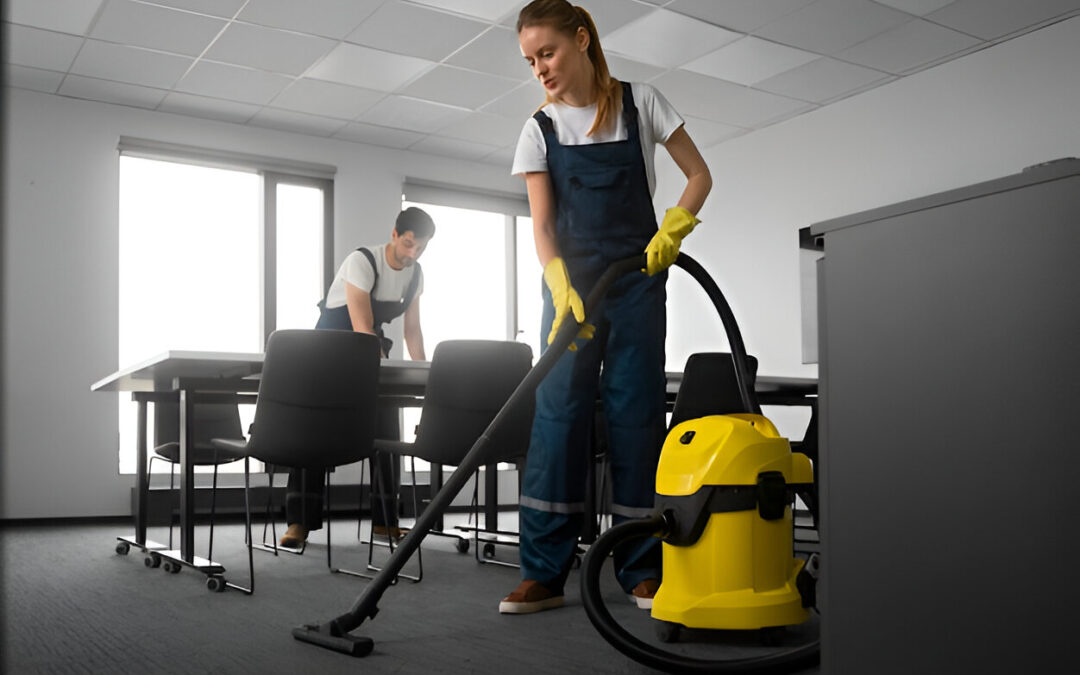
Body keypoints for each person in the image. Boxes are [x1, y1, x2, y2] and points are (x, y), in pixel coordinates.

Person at [500, 0, 712, 614]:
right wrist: (558, 281)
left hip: (637, 280)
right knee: (558, 416)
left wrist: (674, 227)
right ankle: (543, 571)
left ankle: (641, 565)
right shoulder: (537, 128)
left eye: (548, 52)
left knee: (636, 413)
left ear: (583, 39)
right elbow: (542, 226)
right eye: (529, 60)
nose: (539, 68)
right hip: (572, 290)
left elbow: (698, 174)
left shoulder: (642, 102)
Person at [279, 207, 436, 548]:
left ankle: (385, 521)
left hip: (368, 356)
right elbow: (364, 330)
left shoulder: (416, 275)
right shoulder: (362, 261)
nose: (413, 254)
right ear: (395, 234)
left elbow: (413, 331)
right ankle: (298, 522)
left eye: (420, 248)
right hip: (328, 353)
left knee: (386, 431)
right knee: (313, 437)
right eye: (409, 244)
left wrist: (424, 376)